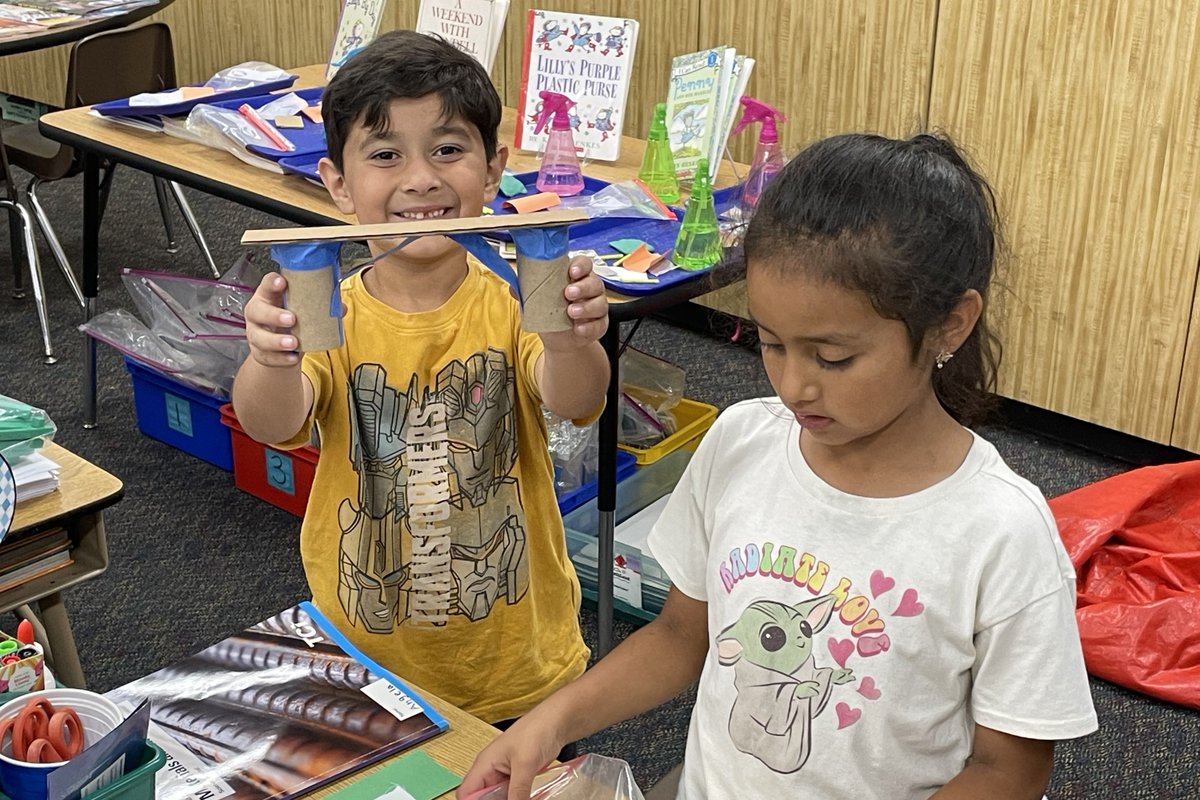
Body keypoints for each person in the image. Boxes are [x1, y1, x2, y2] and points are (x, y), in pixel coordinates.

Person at [459, 133, 1098, 799]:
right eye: (770, 343)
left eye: (833, 357)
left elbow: (1010, 770)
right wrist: (552, 717)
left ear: (950, 325)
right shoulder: (743, 441)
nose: (794, 385)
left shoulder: (1001, 531)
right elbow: (682, 633)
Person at [231, 31, 610, 732]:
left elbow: (579, 399)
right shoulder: (330, 310)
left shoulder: (512, 299)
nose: (421, 178)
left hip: (514, 661)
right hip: (369, 652)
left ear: (492, 169)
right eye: (385, 155)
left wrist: (569, 333)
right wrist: (269, 358)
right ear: (338, 184)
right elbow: (270, 422)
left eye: (447, 149)